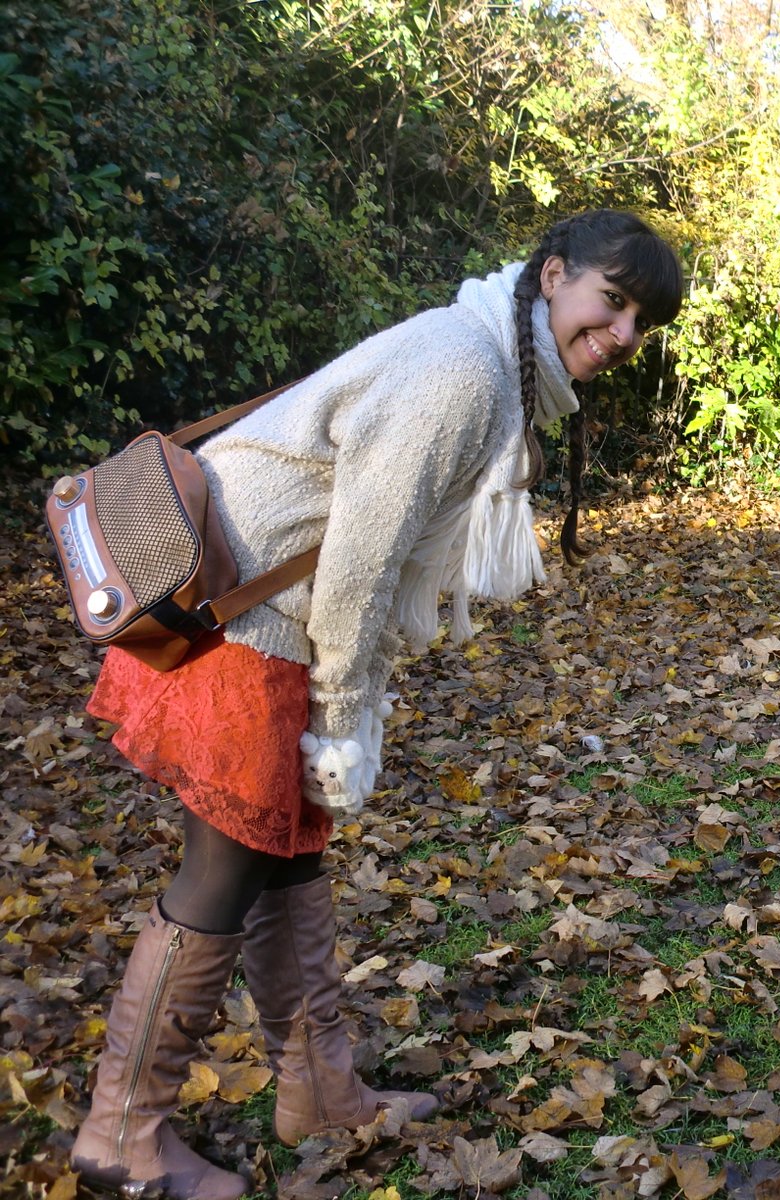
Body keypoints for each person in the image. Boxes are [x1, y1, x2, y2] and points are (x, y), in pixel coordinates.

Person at [70, 209, 685, 1199]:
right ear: (554, 274)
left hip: (266, 614)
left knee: (289, 859)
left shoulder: (495, 360)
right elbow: (361, 561)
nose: (619, 336)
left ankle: (319, 1092)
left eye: (638, 325)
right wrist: (346, 723)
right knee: (219, 878)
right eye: (610, 304)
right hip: (247, 624)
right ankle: (120, 1140)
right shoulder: (464, 370)